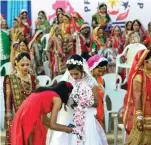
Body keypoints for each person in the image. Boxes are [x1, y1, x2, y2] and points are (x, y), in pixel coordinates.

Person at [47, 54, 108, 145]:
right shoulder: (66, 81)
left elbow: (96, 103)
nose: (74, 77)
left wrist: (83, 102)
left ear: (82, 70)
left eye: (76, 74)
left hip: (85, 117)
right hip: (68, 116)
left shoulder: (91, 82)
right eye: (71, 74)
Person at [3, 52, 39, 145]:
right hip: (19, 117)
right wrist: (9, 120)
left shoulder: (33, 78)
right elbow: (8, 103)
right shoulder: (10, 79)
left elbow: (39, 98)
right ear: (17, 64)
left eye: (27, 65)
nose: (25, 67)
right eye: (22, 65)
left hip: (33, 117)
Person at [123, 49, 151, 145]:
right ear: (145, 62)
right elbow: (137, 97)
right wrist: (139, 117)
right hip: (143, 114)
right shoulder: (139, 77)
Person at [87, 55, 108, 125]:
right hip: (90, 110)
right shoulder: (87, 81)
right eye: (99, 71)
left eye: (103, 72)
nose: (101, 73)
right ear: (92, 68)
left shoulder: (102, 80)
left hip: (100, 109)